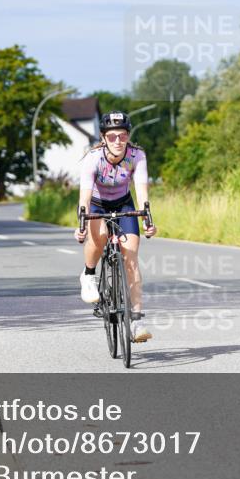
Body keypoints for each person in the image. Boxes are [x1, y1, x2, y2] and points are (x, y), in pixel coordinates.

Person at [74, 111, 158, 343]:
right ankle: (89, 274)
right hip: (97, 204)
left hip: (123, 203)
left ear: (128, 136)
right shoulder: (93, 158)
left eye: (122, 135)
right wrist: (81, 223)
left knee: (130, 258)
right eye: (112, 137)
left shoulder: (136, 155)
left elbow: (141, 190)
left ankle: (137, 322)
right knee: (99, 234)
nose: (118, 141)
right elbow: (85, 196)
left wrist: (147, 220)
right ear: (103, 138)